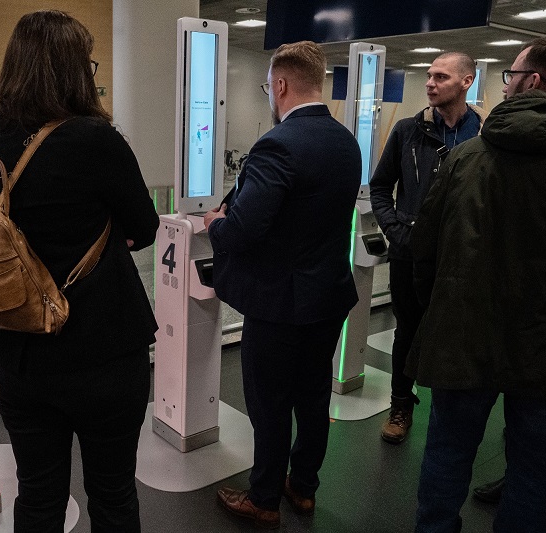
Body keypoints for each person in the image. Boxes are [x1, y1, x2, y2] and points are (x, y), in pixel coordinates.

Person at [0, 11, 159, 532]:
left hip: (16, 352)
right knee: (113, 492)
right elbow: (146, 224)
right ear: (75, 71)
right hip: (102, 352)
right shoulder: (95, 139)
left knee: (38, 495)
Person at [407, 35, 546, 532]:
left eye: (511, 76)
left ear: (533, 82)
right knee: (538, 466)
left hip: (464, 335)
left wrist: (442, 308)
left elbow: (424, 252)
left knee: (448, 452)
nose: (506, 85)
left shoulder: (468, 158)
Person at [204, 40, 361, 529]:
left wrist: (215, 224)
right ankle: (303, 487)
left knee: (269, 404)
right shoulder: (346, 140)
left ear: (280, 84)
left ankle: (264, 497)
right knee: (313, 398)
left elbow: (244, 229)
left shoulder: (278, 144)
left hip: (278, 305)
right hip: (329, 296)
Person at [369, 52, 485, 444]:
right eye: (429, 76)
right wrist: (395, 230)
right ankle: (400, 404)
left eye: (441, 76)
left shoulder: (485, 135)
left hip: (462, 260)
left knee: (458, 336)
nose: (431, 83)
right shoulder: (407, 131)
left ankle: (448, 414)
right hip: (408, 255)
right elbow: (381, 187)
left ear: (467, 81)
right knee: (408, 331)